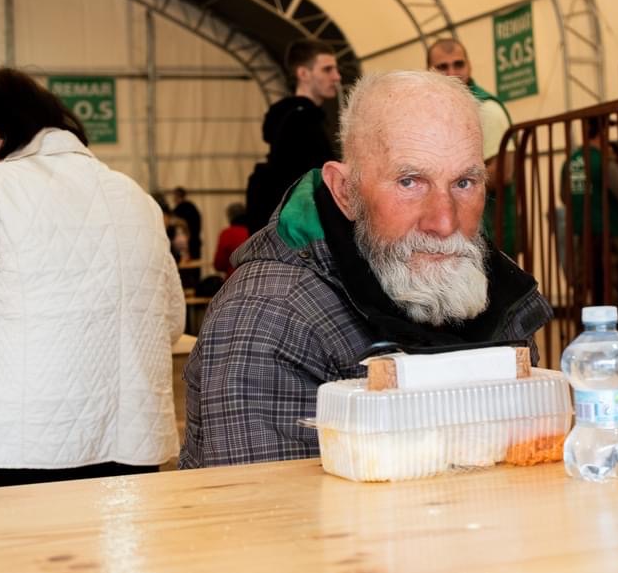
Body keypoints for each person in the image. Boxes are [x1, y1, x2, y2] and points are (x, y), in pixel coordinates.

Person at [179, 70, 553, 468]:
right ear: (346, 191)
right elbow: (268, 517)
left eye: (464, 182)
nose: (444, 222)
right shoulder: (269, 316)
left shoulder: (489, 284)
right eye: (410, 182)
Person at [0, 68, 185, 489]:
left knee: (9, 556)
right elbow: (172, 322)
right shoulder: (136, 197)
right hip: (132, 445)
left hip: (15, 446)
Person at [428, 38, 517, 256]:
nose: (452, 73)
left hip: (490, 234)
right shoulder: (432, 110)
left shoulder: (486, 109)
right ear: (429, 71)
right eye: (442, 67)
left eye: (458, 64)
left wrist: (446, 183)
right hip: (454, 233)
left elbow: (503, 172)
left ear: (469, 66)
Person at [246, 40, 341, 234]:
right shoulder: (301, 121)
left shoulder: (299, 118)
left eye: (335, 69)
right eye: (327, 69)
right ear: (303, 74)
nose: (337, 77)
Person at [560, 117, 618, 310]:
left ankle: (583, 329)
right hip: (611, 231)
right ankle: (613, 333)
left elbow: (565, 196)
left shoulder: (570, 162)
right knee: (611, 287)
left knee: (585, 283)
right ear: (603, 132)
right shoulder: (605, 162)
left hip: (581, 230)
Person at [213, 202, 250, 278]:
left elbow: (219, 264)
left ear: (230, 217)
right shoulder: (256, 231)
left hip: (233, 280)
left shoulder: (226, 234)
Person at [172, 186, 202, 260]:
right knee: (195, 268)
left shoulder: (179, 209)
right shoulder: (192, 207)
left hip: (185, 245)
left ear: (177, 196)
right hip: (195, 243)